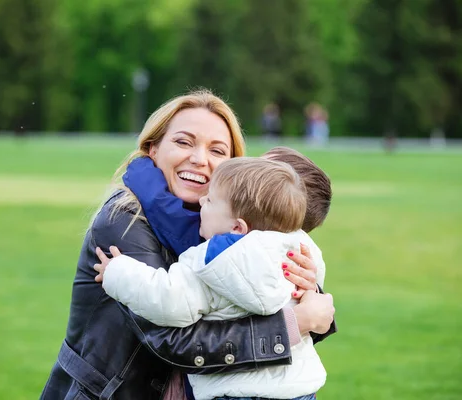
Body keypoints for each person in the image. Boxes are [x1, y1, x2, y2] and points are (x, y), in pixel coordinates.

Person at [40, 89, 336, 400]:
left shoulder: (233, 231)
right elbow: (172, 340)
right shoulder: (124, 221)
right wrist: (296, 323)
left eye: (218, 150)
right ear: (153, 149)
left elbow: (257, 298)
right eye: (183, 142)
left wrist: (310, 296)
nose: (199, 159)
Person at [96, 157, 328, 400]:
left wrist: (117, 272)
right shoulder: (300, 248)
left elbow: (169, 300)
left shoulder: (213, 261)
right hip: (298, 391)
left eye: (211, 200)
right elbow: (313, 291)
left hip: (235, 394)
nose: (201, 200)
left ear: (238, 228)